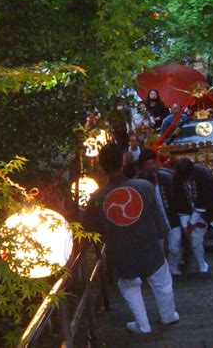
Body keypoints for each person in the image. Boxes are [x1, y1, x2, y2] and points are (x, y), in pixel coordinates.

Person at [81, 143, 179, 334]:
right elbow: (159, 221)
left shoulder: (98, 197)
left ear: (102, 166)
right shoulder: (144, 186)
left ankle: (143, 325)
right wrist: (163, 237)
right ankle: (168, 315)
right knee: (162, 282)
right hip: (149, 244)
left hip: (120, 250)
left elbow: (91, 229)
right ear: (123, 161)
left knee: (129, 286)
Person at [172, 158, 213, 273]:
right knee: (196, 241)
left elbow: (207, 197)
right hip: (190, 210)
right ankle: (201, 264)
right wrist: (186, 226)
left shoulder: (203, 173)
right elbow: (180, 202)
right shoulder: (177, 179)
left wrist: (192, 223)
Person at [138, 150, 182, 275]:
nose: (152, 166)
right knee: (159, 248)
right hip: (153, 221)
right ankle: (164, 270)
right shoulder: (140, 183)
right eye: (148, 163)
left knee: (175, 245)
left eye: (153, 162)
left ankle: (173, 265)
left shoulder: (166, 177)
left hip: (170, 216)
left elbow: (175, 198)